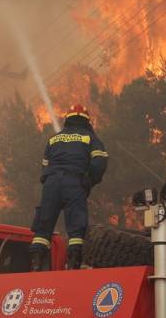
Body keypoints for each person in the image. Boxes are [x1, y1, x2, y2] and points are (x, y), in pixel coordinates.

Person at [30, 103, 108, 271]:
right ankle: (74, 264)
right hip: (74, 182)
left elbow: (45, 165)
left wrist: (50, 181)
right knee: (76, 226)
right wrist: (89, 181)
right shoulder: (90, 138)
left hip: (51, 183)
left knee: (44, 224)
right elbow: (99, 162)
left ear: (67, 121)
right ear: (87, 122)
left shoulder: (53, 139)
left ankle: (36, 263)